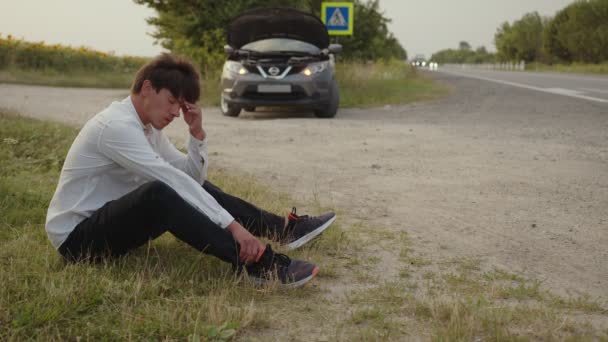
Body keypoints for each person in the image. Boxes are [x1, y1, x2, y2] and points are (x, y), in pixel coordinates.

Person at [45, 53, 336, 288]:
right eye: (172, 101)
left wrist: (196, 134)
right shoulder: (116, 127)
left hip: (109, 221)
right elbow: (170, 180)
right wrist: (235, 228)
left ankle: (283, 229)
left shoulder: (146, 126)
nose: (174, 113)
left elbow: (191, 178)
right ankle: (255, 262)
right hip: (77, 240)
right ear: (147, 88)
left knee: (184, 186)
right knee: (161, 192)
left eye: (180, 106)